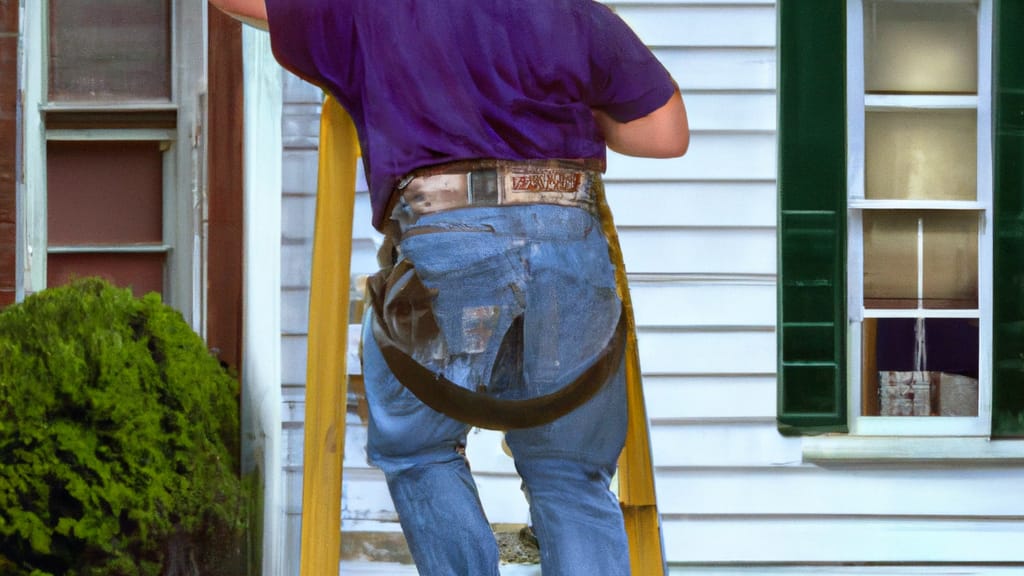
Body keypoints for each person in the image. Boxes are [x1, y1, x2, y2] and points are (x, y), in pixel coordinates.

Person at [209, 1, 689, 574]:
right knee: (570, 472)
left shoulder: (368, 11)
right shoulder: (571, 11)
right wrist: (585, 116)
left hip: (447, 244)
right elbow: (666, 133)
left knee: (416, 448)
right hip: (570, 240)